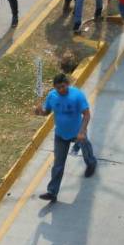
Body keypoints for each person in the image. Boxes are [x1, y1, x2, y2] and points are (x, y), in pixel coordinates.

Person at [36, 72, 97, 202]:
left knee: (86, 149)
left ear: (68, 84)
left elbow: (86, 115)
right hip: (60, 135)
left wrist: (82, 131)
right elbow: (46, 112)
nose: (61, 90)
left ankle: (91, 163)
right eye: (58, 87)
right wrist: (39, 112)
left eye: (63, 86)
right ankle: (52, 191)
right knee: (58, 164)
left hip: (78, 133)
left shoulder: (77, 95)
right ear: (54, 87)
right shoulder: (52, 96)